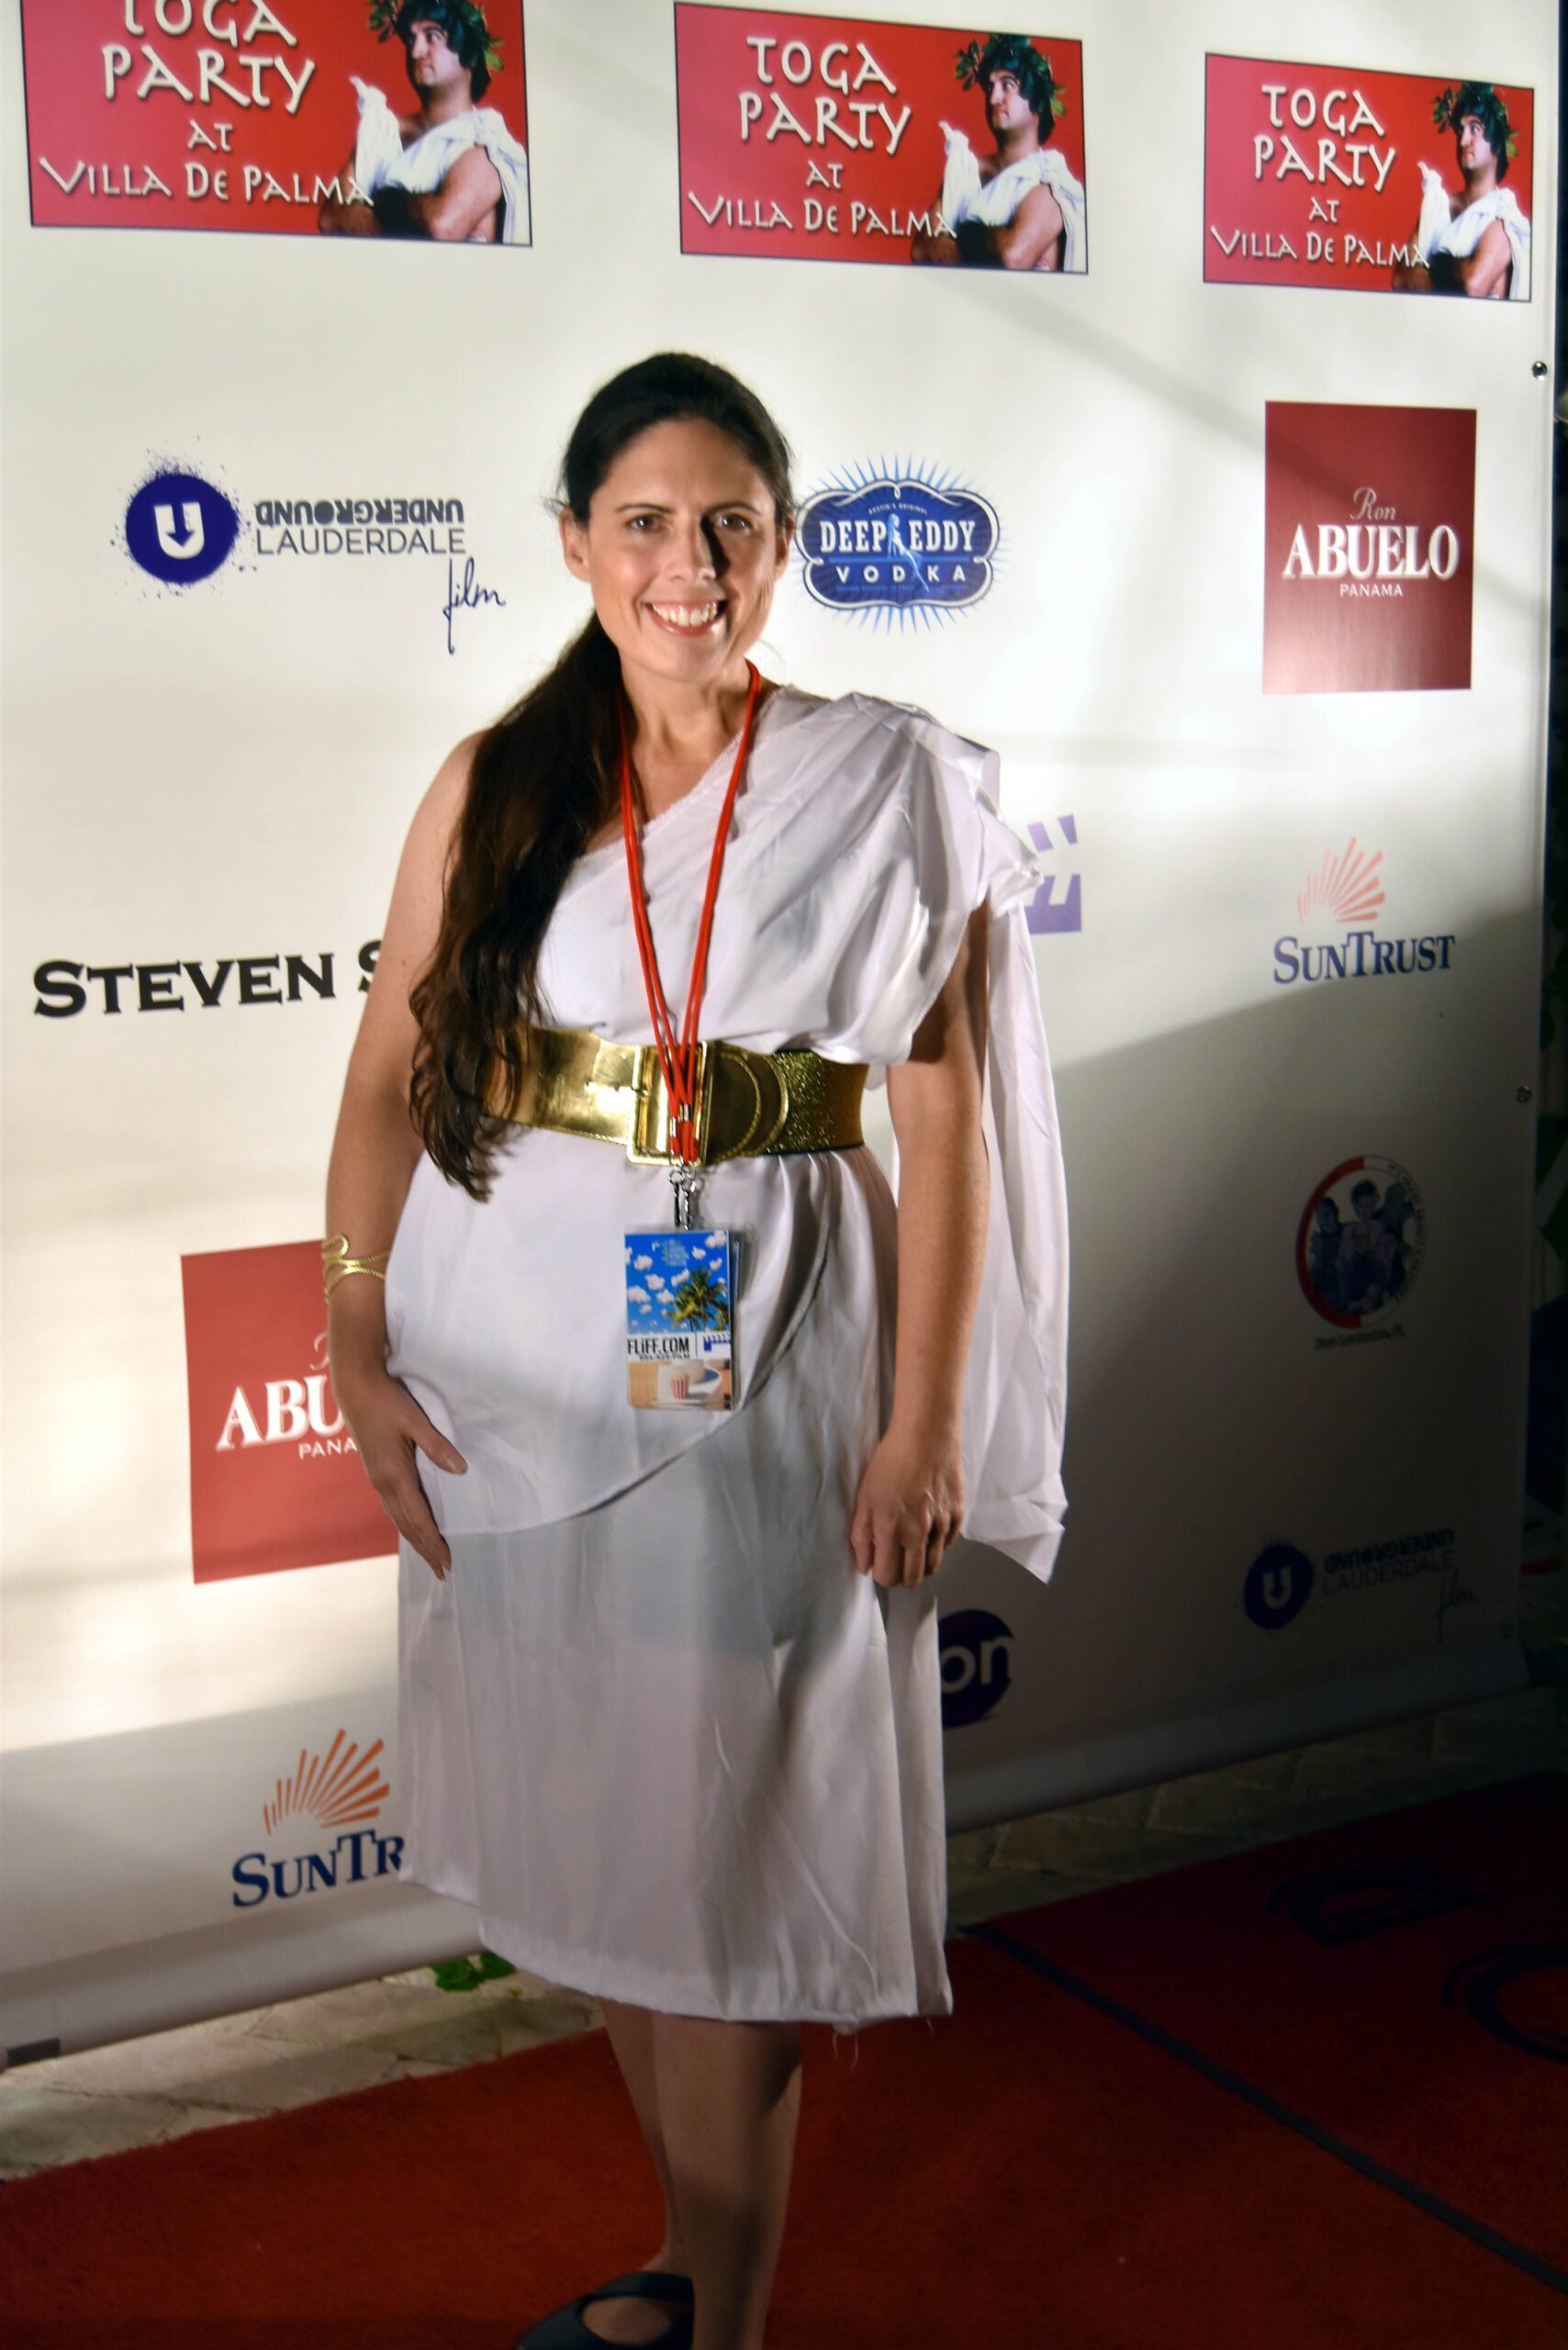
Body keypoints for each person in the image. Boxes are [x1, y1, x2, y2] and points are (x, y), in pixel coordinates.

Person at [324, 352, 1067, 2350]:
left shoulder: (884, 780)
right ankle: (680, 2256)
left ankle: (719, 2326)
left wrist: (922, 1422)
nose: (689, 562)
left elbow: (938, 1121)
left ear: (783, 542)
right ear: (575, 544)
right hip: (520, 1374)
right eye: (644, 521)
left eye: (729, 521)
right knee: (605, 1837)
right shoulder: (492, 784)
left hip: (788, 1353)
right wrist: (351, 1322)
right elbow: (387, 1073)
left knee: (728, 1850)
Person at [319, 1, 529, 244]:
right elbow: (330, 219)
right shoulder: (384, 132)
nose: (415, 51)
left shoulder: (488, 142)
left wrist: (382, 201)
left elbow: (440, 227)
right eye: (410, 39)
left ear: (470, 54)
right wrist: (411, 215)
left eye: (432, 36)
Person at [911, 32, 1086, 273]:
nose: (993, 98)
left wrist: (960, 233)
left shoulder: (1051, 181)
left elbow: (1011, 257)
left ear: (1037, 101)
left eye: (1007, 85)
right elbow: (920, 250)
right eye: (990, 87)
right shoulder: (966, 171)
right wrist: (987, 244)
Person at [1391, 81, 1529, 300]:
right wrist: (1455, 270)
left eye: (1474, 128)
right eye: (1460, 130)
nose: (1463, 140)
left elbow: (1471, 286)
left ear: (1496, 144)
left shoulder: (1504, 218)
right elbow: (1400, 279)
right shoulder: (1438, 207)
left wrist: (1432, 264)